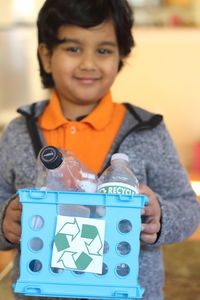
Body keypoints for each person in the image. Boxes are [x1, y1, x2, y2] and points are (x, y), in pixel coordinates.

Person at [0, 0, 199, 299]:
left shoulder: (148, 130)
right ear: (46, 56)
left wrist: (161, 219)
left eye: (104, 50)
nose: (89, 63)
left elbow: (188, 206)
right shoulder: (18, 131)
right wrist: (5, 221)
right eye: (73, 48)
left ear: (120, 57)